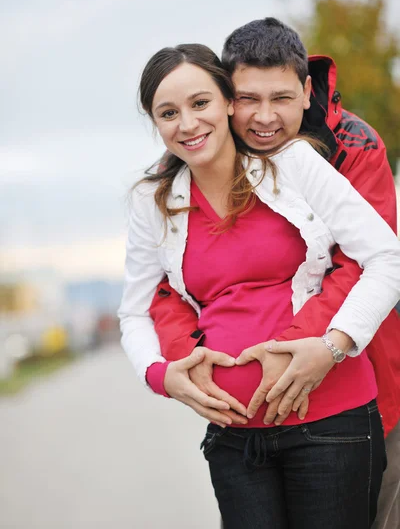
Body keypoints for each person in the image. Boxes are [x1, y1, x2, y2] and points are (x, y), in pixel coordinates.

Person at [118, 42, 400, 528]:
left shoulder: (294, 165)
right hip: (234, 440)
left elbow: (385, 257)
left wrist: (333, 346)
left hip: (332, 424)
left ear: (229, 102)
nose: (187, 124)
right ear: (155, 123)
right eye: (168, 112)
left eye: (200, 103)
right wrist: (161, 376)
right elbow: (135, 310)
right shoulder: (154, 202)